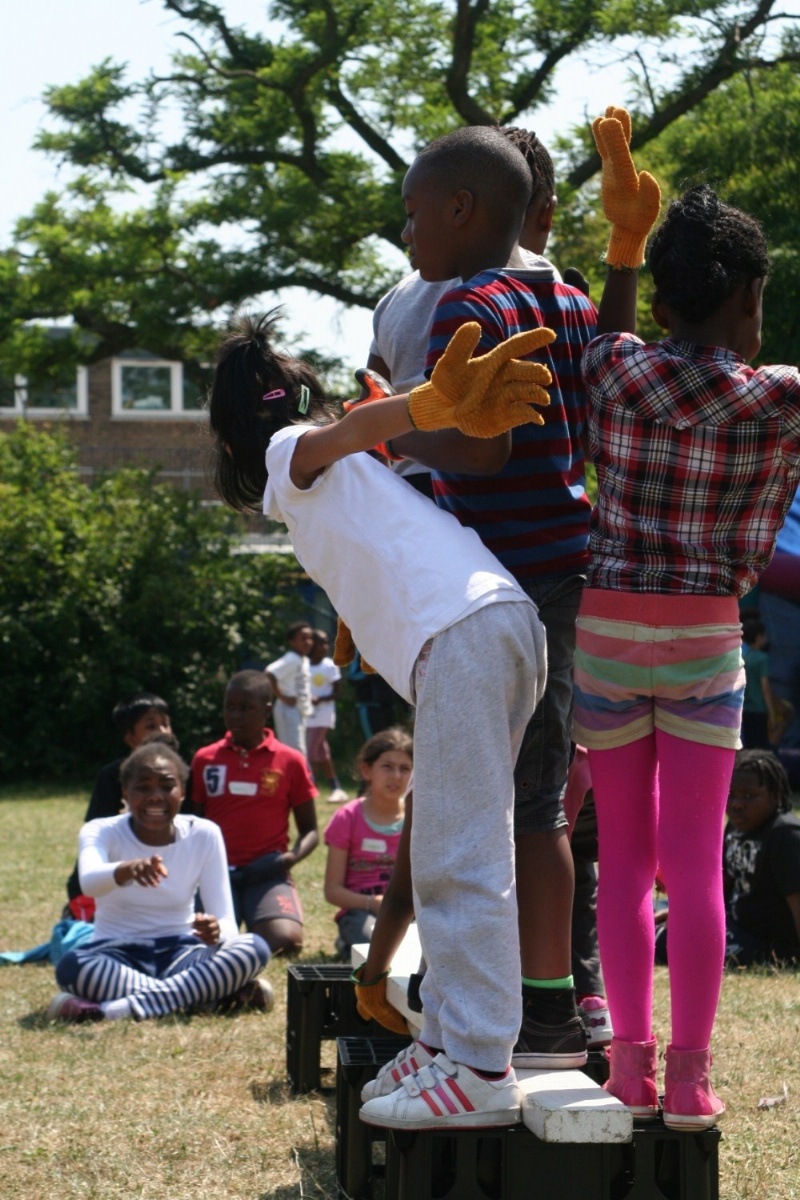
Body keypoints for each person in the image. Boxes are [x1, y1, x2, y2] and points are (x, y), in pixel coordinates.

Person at [208, 301, 552, 1128]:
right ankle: (447, 1039)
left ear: (239, 440)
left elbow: (340, 434)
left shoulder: (292, 449)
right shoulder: (352, 479)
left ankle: (480, 1064)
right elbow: (374, 525)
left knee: (460, 857)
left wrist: (423, 404)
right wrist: (355, 614)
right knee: (452, 846)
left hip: (463, 635)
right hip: (494, 626)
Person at [572, 107, 800, 1131]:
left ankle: (628, 1070)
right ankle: (693, 1079)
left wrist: (624, 247)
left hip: (607, 632)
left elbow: (610, 335)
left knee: (621, 858)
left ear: (661, 299)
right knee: (693, 861)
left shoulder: (613, 372)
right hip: (707, 636)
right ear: (750, 298)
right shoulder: (779, 398)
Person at [370, 125, 598, 1070]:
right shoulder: (569, 296)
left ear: (461, 209)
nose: (407, 233)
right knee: (541, 801)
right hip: (568, 569)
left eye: (414, 214)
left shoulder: (468, 304)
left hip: (496, 588)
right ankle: (553, 1008)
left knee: (484, 804)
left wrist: (386, 428)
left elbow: (481, 449)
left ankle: (502, 1016)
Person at [48, 742, 271, 1023]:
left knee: (254, 947)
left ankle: (111, 1011)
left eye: (167, 786)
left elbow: (226, 921)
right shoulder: (101, 830)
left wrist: (217, 931)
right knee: (72, 966)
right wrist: (126, 870)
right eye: (143, 788)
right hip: (115, 955)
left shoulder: (204, 833)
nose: (155, 796)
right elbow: (89, 883)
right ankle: (206, 995)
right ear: (125, 792)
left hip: (183, 955)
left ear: (182, 792)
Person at [188, 670, 319, 956]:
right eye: (230, 707)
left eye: (246, 708)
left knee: (286, 942)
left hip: (267, 872)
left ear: (267, 711)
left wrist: (287, 860)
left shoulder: (290, 760)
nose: (236, 715)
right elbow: (192, 825)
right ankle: (234, 926)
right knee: (199, 942)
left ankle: (255, 921)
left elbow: (310, 831)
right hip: (216, 873)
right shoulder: (205, 759)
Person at [65, 692, 173, 912]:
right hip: (114, 881)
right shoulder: (112, 777)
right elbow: (97, 836)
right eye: (151, 726)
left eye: (165, 724)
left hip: (164, 879)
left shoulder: (181, 777)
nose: (162, 732)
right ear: (130, 738)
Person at [324, 727, 411, 957]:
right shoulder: (347, 818)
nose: (396, 776)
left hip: (408, 913)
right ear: (366, 770)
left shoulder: (418, 819)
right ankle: (349, 942)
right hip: (360, 913)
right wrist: (372, 903)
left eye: (405, 769)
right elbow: (332, 890)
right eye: (387, 767)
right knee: (375, 945)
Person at [307, 628, 348, 802]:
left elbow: (337, 692)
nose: (325, 647)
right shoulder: (304, 665)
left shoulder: (329, 666)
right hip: (307, 715)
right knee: (322, 753)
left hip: (323, 716)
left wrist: (320, 699)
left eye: (326, 643)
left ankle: (309, 786)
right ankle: (335, 787)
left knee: (310, 751)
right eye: (320, 643)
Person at [266, 620, 314, 755]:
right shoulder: (291, 658)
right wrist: (282, 696)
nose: (308, 642)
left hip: (299, 710)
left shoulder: (303, 660)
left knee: (299, 750)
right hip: (288, 709)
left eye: (310, 638)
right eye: (303, 638)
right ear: (292, 642)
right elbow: (269, 673)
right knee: (294, 750)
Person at [740, 613, 779, 750]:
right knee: (761, 747)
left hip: (745, 709)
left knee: (750, 746)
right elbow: (765, 688)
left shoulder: (744, 657)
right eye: (763, 635)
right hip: (759, 709)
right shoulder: (762, 659)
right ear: (758, 637)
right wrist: (772, 714)